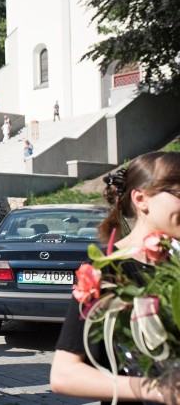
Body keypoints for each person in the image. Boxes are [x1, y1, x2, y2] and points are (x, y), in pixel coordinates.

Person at [50, 152, 180, 405]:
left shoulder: (174, 262)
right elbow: (65, 374)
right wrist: (159, 389)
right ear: (142, 199)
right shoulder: (107, 269)